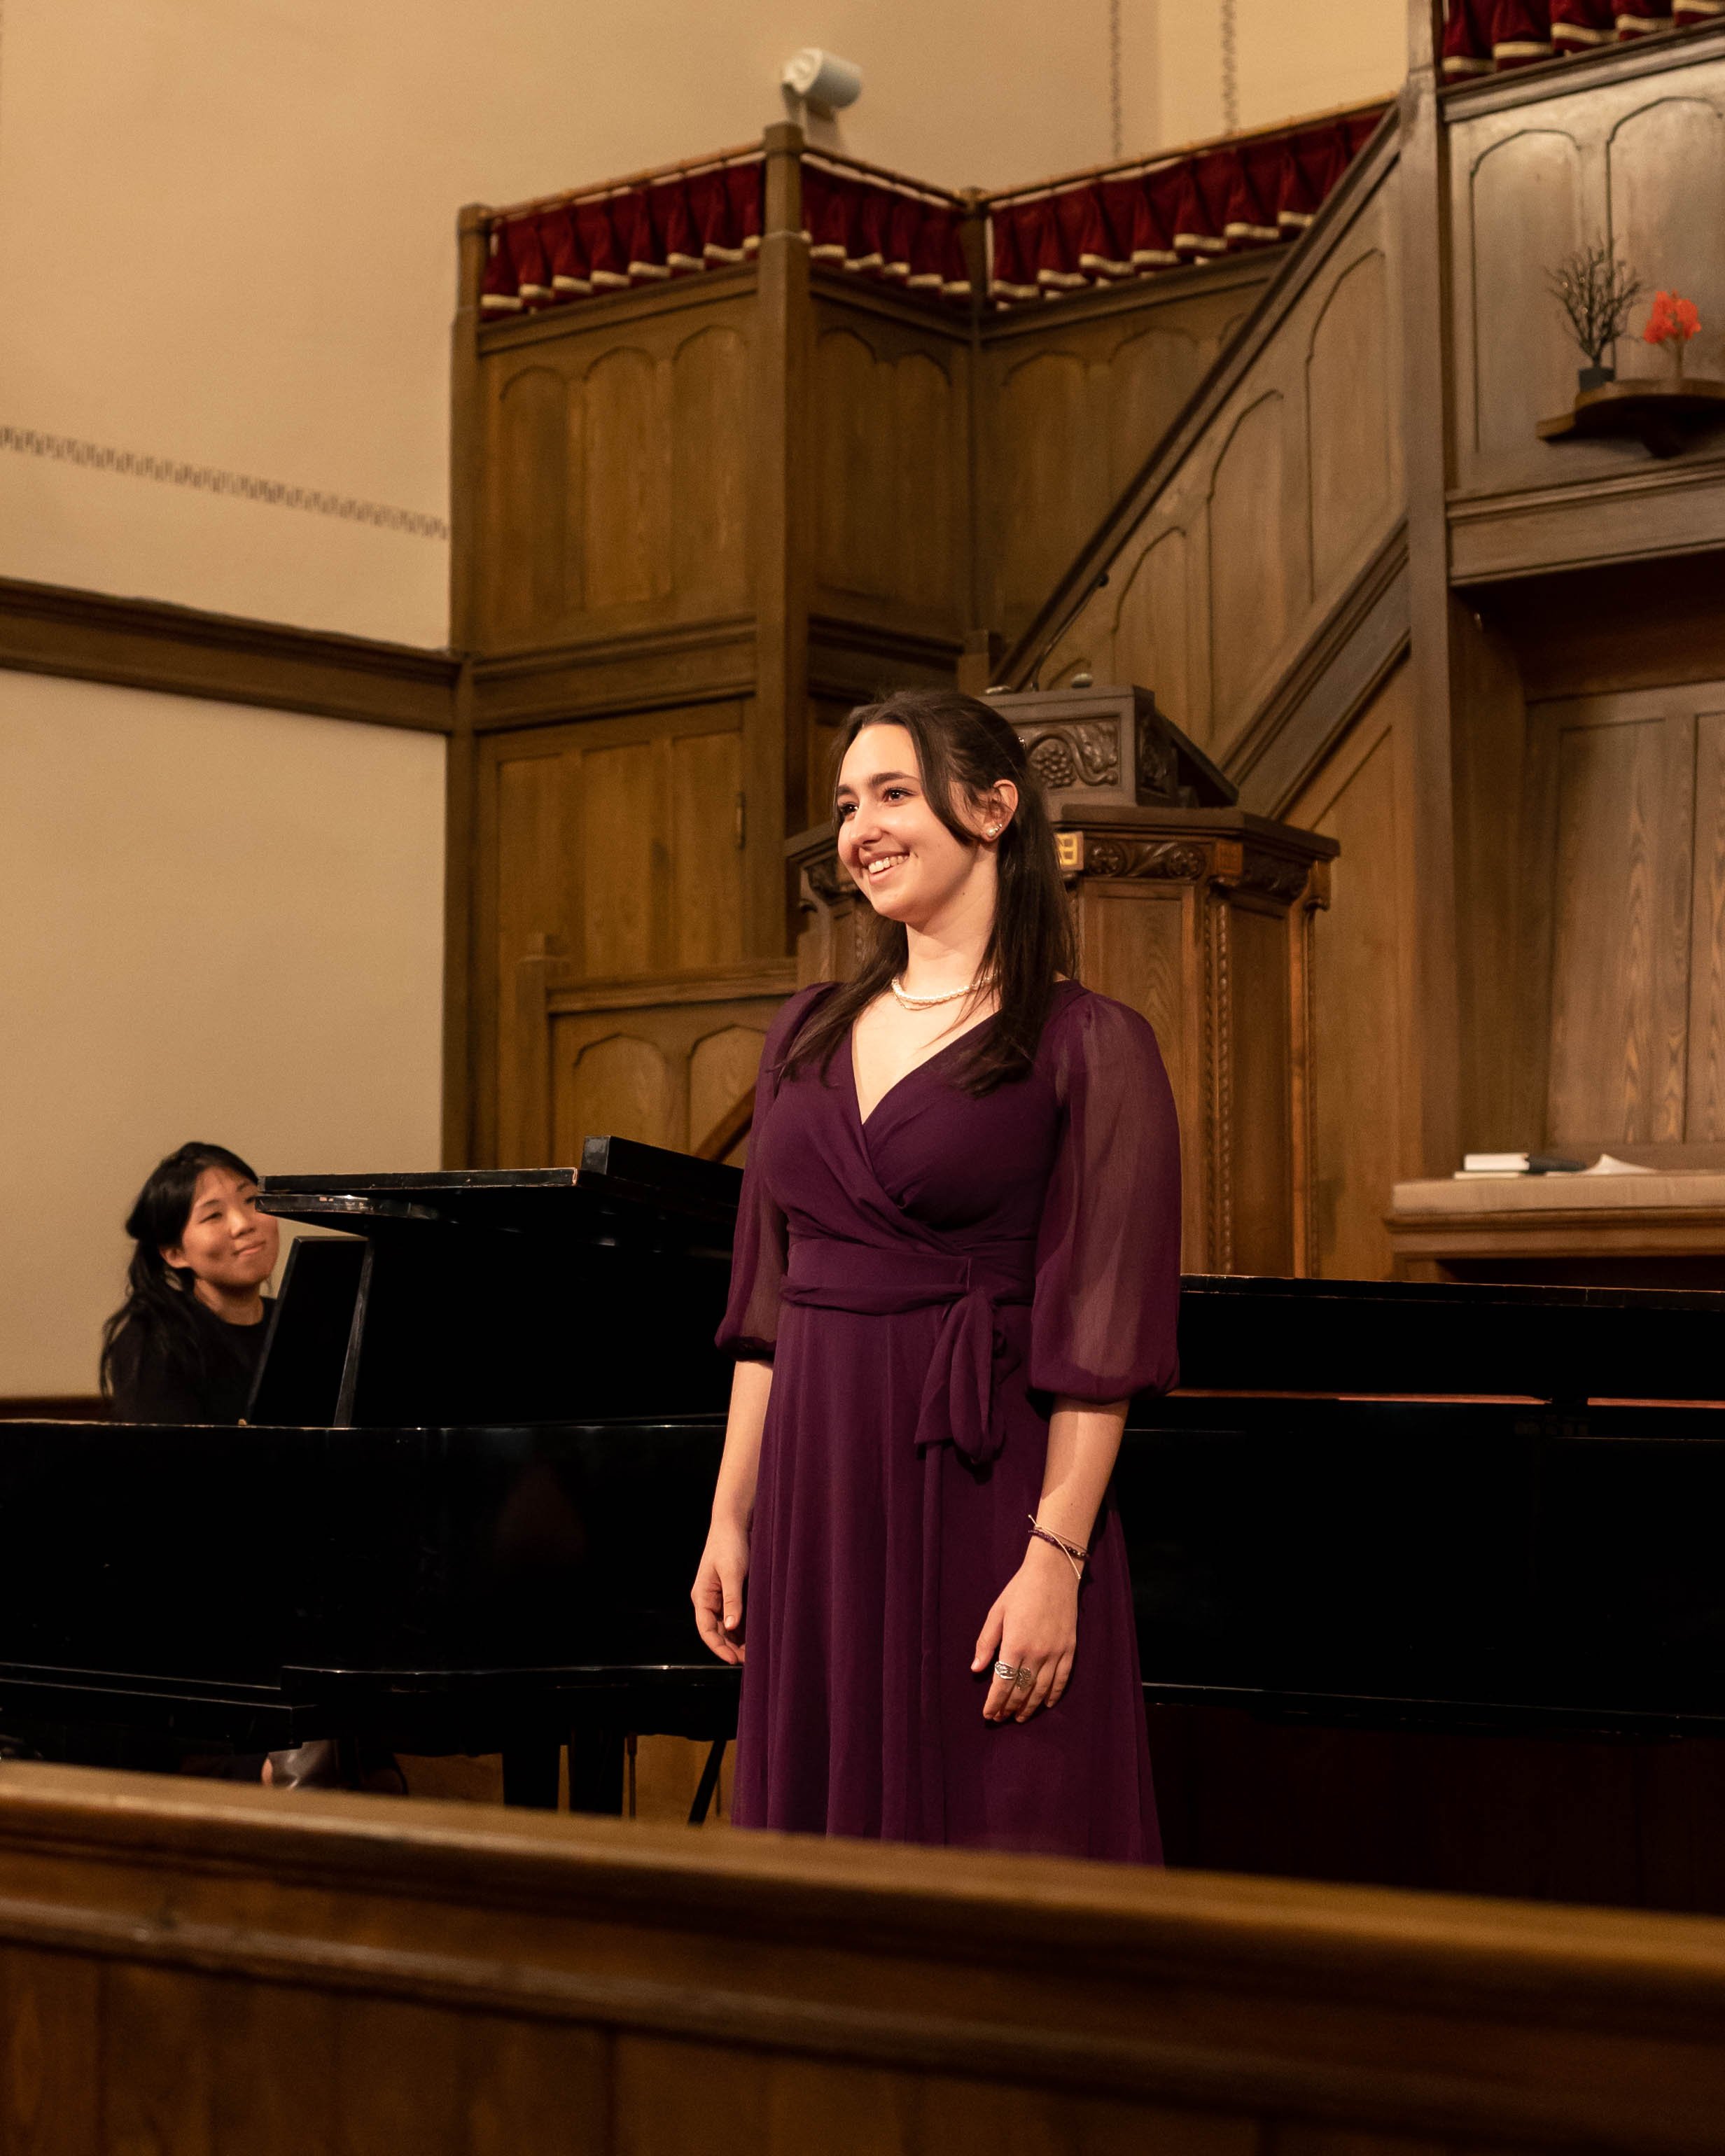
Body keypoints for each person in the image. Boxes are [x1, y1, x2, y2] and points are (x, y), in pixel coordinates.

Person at [691, 687, 1180, 1861]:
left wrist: (1053, 1560)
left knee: (1000, 1828)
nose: (860, 826)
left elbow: (1099, 1345)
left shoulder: (1085, 1042)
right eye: (848, 802)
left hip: (986, 1486)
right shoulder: (801, 1030)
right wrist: (728, 1514)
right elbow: (768, 1304)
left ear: (993, 808)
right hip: (818, 1487)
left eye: (893, 794)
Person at [102, 1142, 279, 1424]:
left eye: (250, 1200)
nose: (243, 1224)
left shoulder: (302, 1322)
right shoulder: (154, 1340)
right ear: (175, 1254)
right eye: (213, 1215)